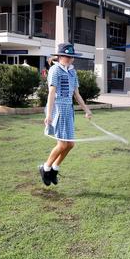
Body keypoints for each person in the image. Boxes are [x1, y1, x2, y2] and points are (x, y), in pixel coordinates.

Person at [39, 43, 93, 186]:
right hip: (58, 109)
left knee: (70, 145)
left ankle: (54, 169)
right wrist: (49, 114)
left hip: (69, 109)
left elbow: (76, 94)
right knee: (63, 144)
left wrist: (86, 110)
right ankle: (45, 168)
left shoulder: (73, 72)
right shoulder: (55, 70)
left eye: (71, 56)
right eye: (66, 56)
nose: (69, 59)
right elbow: (51, 93)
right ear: (59, 56)